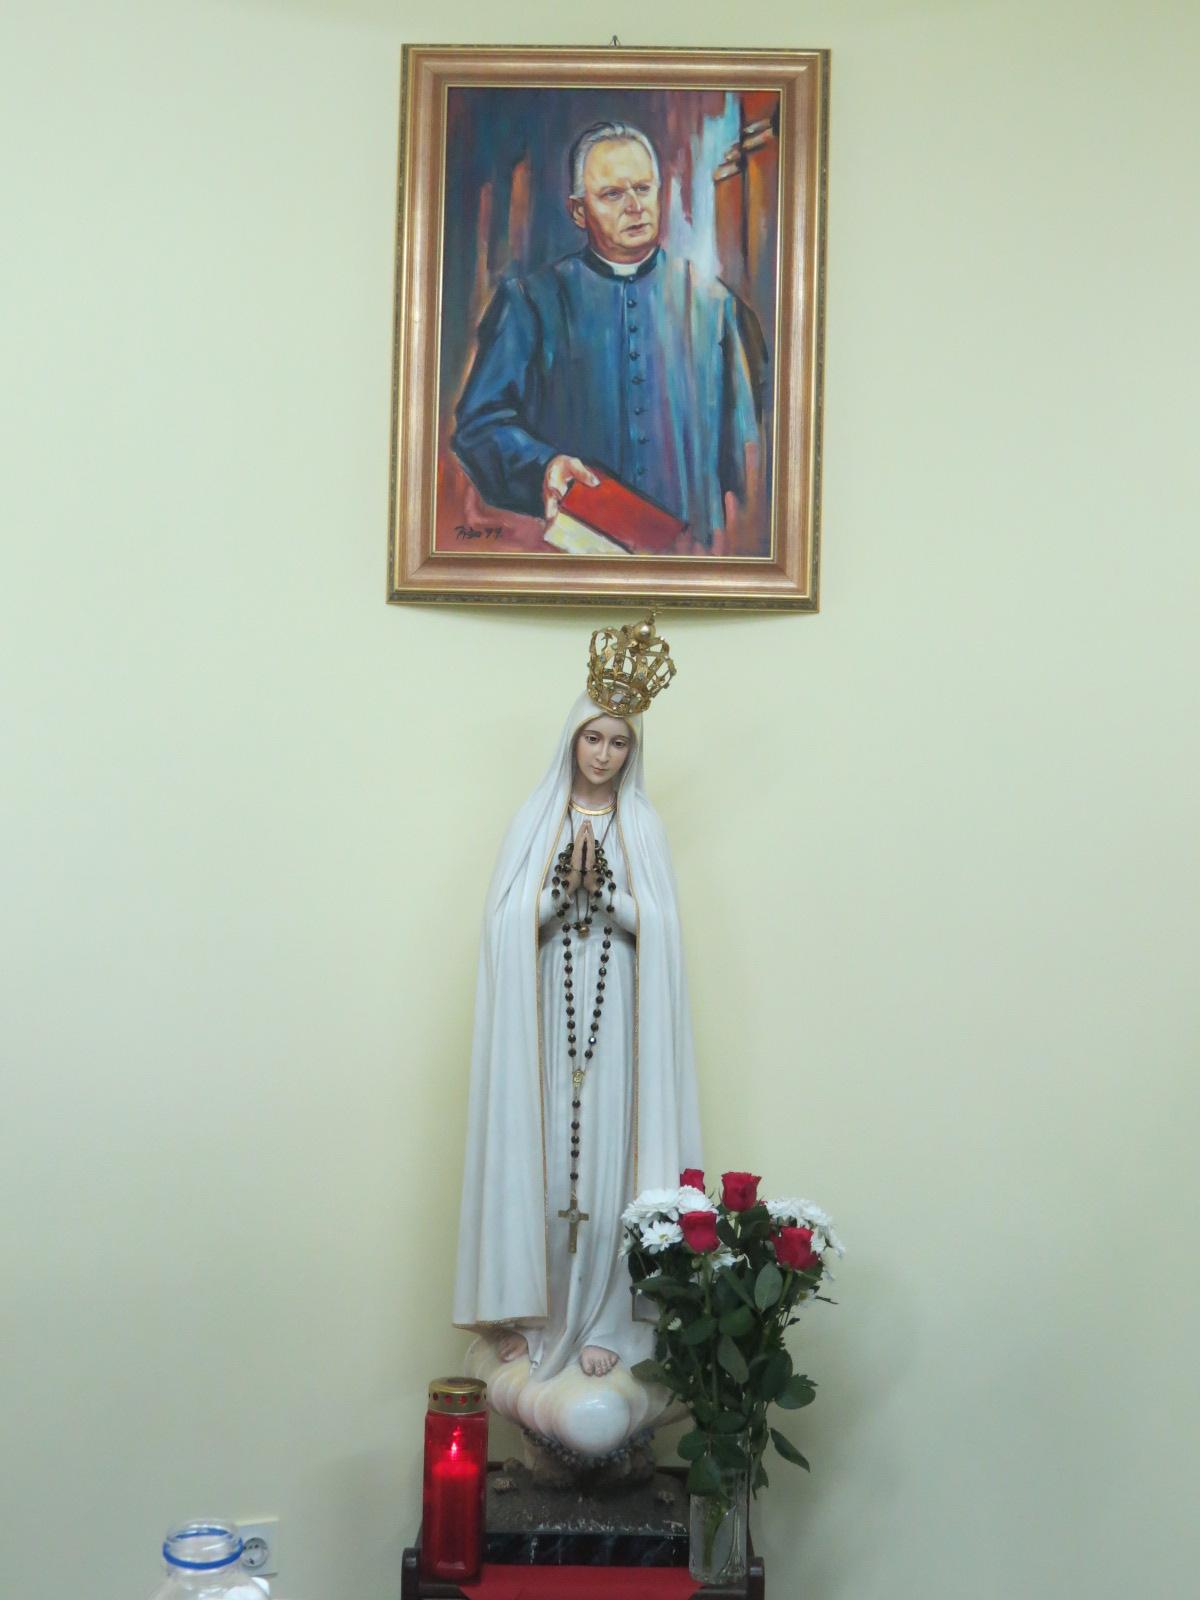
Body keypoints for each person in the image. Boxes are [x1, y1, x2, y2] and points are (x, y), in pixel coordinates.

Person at [452, 624, 702, 1405]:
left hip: (616, 1024)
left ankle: (604, 1323)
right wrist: (558, 895)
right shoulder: (535, 821)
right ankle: (534, 1312)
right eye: (593, 738)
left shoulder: (642, 828)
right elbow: (502, 926)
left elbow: (662, 931)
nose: (603, 754)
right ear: (572, 740)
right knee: (537, 1157)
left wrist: (611, 898)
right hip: (542, 1029)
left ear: (632, 752)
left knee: (603, 1168)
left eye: (619, 742)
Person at [452, 121, 764, 551]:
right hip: (574, 553)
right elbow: (479, 425)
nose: (635, 206)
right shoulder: (529, 303)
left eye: (643, 188)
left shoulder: (715, 307)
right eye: (613, 194)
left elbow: (748, 453)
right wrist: (544, 467)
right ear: (579, 211)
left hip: (689, 557)